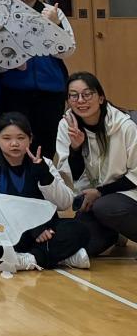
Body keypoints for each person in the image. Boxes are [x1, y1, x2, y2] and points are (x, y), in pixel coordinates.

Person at [0, 112, 91, 271]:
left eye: (21, 138)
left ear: (30, 139)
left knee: (80, 230)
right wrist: (33, 228)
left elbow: (65, 203)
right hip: (5, 229)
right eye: (7, 138)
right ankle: (61, 256)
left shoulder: (44, 162)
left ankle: (31, 258)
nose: (14, 143)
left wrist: (45, 177)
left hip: (44, 230)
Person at [0, 0, 75, 155]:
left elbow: (67, 50)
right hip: (12, 93)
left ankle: (43, 176)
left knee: (46, 148)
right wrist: (11, 62)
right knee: (14, 149)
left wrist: (54, 25)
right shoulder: (0, 14)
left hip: (50, 92)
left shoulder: (52, 12)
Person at [57, 71, 137, 257]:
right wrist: (75, 150)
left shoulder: (125, 126)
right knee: (79, 246)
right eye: (74, 95)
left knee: (106, 207)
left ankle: (116, 221)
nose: (80, 100)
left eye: (87, 94)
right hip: (94, 199)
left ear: (101, 98)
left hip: (128, 194)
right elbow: (70, 176)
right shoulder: (66, 126)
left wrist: (100, 192)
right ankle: (115, 232)